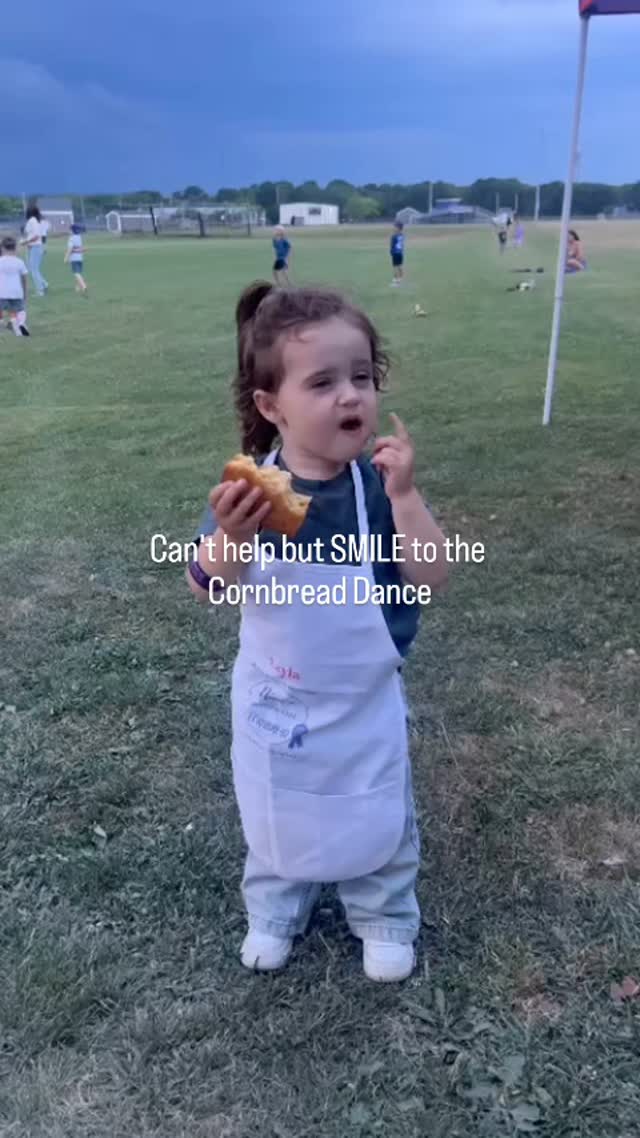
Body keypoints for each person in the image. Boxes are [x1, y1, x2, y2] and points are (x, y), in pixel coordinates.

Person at [186, 281, 449, 982]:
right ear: (271, 406)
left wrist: (406, 498)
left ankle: (384, 913)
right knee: (276, 808)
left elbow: (431, 577)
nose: (350, 396)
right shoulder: (249, 492)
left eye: (361, 377)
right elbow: (208, 585)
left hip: (363, 699)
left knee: (377, 805)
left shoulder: (379, 490)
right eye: (323, 382)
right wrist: (231, 539)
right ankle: (275, 908)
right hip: (279, 698)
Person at [0, 236, 30, 336]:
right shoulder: (19, 262)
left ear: (2, 248)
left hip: (2, 292)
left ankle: (9, 323)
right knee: (20, 310)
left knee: (7, 310)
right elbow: (24, 279)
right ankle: (20, 324)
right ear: (15, 248)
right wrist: (25, 293)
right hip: (16, 292)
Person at [19, 206, 48, 296]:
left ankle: (40, 290)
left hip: (36, 247)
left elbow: (36, 236)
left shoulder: (32, 221)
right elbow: (32, 235)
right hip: (34, 247)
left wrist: (25, 242)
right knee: (33, 269)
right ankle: (44, 284)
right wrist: (27, 242)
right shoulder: (34, 221)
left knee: (33, 270)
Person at [64, 224, 88, 294]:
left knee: (76, 273)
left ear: (72, 230)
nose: (69, 231)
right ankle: (77, 288)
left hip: (74, 258)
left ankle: (84, 286)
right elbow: (80, 248)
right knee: (78, 273)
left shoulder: (71, 238)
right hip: (80, 258)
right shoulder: (79, 237)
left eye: (70, 230)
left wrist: (66, 258)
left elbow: (70, 249)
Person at [390, 221, 405, 285]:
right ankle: (400, 279)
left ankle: (395, 280)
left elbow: (392, 245)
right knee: (399, 266)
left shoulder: (394, 236)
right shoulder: (402, 235)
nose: (394, 228)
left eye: (395, 227)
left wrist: (391, 252)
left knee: (395, 267)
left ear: (398, 228)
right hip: (400, 252)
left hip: (395, 252)